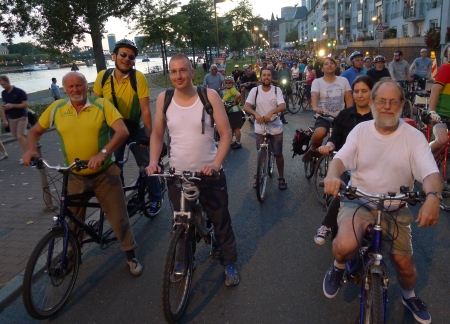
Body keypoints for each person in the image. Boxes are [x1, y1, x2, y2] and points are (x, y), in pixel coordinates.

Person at [322, 78, 441, 324]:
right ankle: (338, 265)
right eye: (381, 101)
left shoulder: (414, 137)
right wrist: (333, 174)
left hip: (396, 206)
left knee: (405, 266)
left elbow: (430, 173)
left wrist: (432, 196)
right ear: (374, 103)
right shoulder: (360, 131)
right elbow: (341, 159)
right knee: (344, 244)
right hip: (360, 201)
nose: (387, 106)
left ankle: (409, 296)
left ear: (402, 104)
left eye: (393, 101)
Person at [22, 72, 143, 276]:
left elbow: (122, 131)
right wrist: (30, 149)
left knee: (118, 217)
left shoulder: (102, 104)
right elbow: (34, 132)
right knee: (72, 220)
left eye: (79, 85)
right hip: (75, 175)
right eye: (70, 86)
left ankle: (130, 256)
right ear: (64, 89)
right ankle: (71, 255)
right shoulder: (57, 108)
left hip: (105, 173)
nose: (75, 89)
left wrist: (102, 153)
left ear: (86, 86)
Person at [147, 53, 240, 286]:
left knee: (221, 220)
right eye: (173, 71)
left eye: (183, 70)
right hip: (177, 173)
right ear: (170, 74)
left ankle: (229, 263)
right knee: (180, 220)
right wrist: (153, 161)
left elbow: (226, 134)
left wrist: (216, 165)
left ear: (192, 72)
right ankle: (182, 261)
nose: (178, 75)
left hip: (208, 172)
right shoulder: (164, 99)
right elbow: (157, 134)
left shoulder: (208, 96)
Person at [93, 39, 163, 216]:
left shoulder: (137, 77)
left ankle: (156, 197)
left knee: (147, 165)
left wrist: (148, 135)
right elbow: (95, 108)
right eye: (123, 55)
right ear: (114, 56)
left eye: (131, 57)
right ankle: (119, 199)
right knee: (114, 167)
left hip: (134, 129)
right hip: (114, 130)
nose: (127, 59)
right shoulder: (102, 77)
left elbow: (145, 109)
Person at [314, 75, 374, 244]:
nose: (360, 95)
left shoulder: (378, 116)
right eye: (356, 92)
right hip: (347, 164)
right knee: (345, 189)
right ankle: (326, 225)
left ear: (372, 92)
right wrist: (330, 146)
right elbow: (336, 138)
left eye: (364, 91)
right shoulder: (345, 115)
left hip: (372, 165)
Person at [243, 68, 288, 190]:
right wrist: (255, 113)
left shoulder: (276, 90)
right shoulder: (255, 90)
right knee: (260, 152)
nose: (266, 77)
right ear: (260, 77)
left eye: (269, 75)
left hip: (275, 125)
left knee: (278, 153)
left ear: (271, 77)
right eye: (264, 75)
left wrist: (272, 112)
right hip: (260, 125)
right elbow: (246, 106)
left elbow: (282, 106)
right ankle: (259, 176)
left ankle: (281, 177)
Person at [302, 57, 353, 162]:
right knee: (319, 133)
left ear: (335, 66)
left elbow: (349, 99)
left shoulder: (343, 81)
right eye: (326, 64)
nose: (329, 65)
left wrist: (351, 112)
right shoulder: (317, 82)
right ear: (322, 69)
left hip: (341, 117)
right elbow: (314, 97)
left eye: (331, 63)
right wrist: (316, 107)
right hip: (324, 116)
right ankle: (313, 150)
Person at [428, 44, 450, 155]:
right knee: (442, 139)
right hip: (442, 113)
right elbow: (435, 89)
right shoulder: (446, 68)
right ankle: (422, 157)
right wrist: (432, 111)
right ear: (447, 54)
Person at [0, 75, 28, 163]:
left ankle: (26, 155)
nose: (3, 86)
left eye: (4, 84)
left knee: (20, 136)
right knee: (17, 136)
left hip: (21, 116)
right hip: (12, 117)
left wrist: (13, 105)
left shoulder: (20, 92)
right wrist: (5, 107)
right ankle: (31, 143)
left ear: (8, 82)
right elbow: (4, 104)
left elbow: (25, 104)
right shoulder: (4, 93)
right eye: (1, 85)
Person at [223, 76, 243, 149]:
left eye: (229, 82)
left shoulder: (232, 90)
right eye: (226, 82)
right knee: (233, 127)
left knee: (236, 128)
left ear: (232, 83)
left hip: (234, 111)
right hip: (229, 111)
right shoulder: (227, 91)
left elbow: (239, 95)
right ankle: (234, 141)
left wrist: (234, 102)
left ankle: (238, 143)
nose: (228, 84)